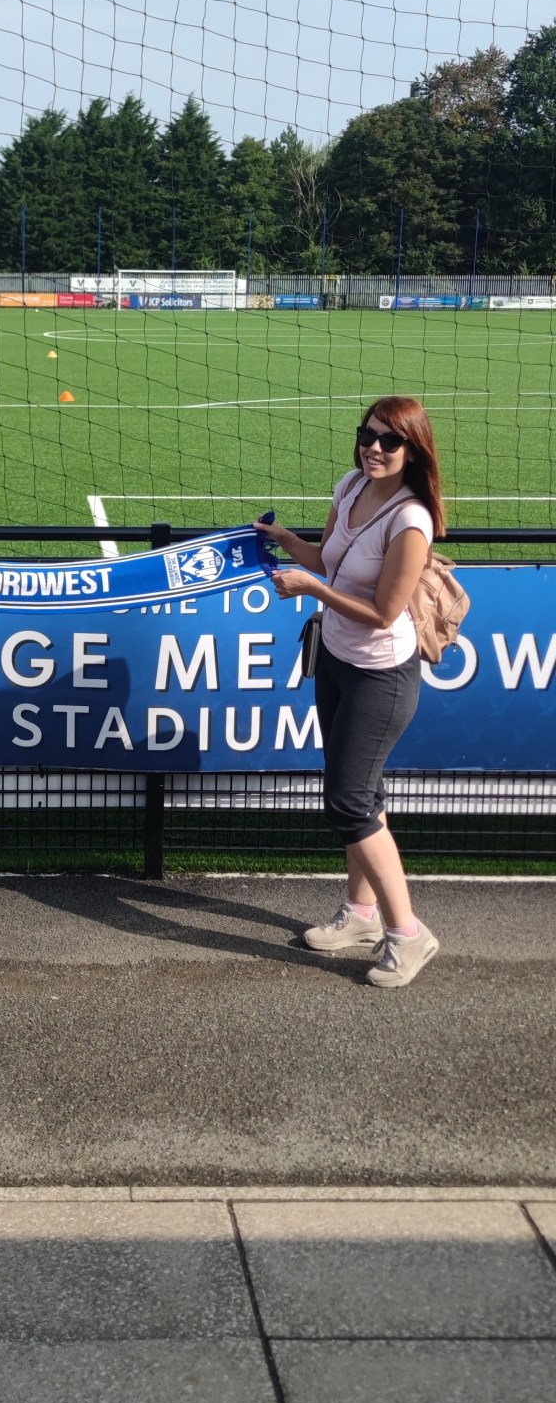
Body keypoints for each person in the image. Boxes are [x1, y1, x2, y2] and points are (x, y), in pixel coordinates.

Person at [256, 396, 444, 989]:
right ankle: (362, 914)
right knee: (364, 794)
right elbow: (328, 560)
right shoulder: (350, 486)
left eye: (390, 441)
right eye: (368, 436)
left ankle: (407, 934)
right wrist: (284, 538)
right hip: (336, 660)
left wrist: (312, 589)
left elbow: (385, 612)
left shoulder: (410, 520)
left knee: (347, 802)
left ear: (413, 450)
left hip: (381, 676)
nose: (375, 449)